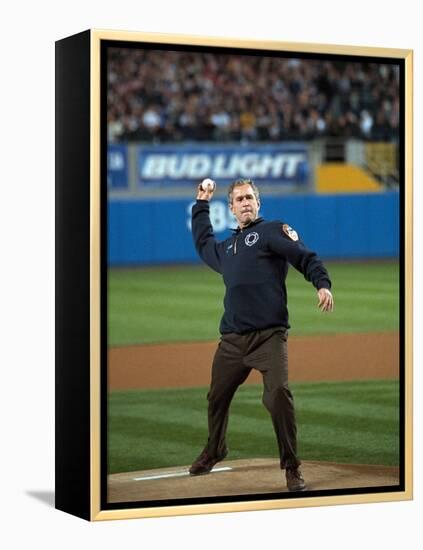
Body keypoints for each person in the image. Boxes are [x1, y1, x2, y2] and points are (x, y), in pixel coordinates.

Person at [189, 178, 334, 492]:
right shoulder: (227, 248)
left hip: (269, 336)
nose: (245, 203)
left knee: (278, 395)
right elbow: (203, 243)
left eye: (249, 197)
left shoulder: (270, 231)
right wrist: (201, 204)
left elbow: (304, 257)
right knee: (216, 397)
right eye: (239, 199)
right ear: (230, 208)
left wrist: (321, 283)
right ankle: (215, 449)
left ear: (258, 203)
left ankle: (292, 466)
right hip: (232, 341)